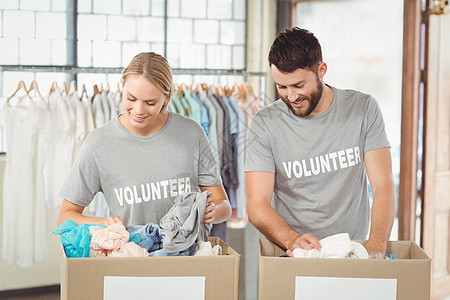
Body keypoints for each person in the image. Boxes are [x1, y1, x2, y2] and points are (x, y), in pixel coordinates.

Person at [245, 27, 395, 258]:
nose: (291, 97)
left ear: (321, 70)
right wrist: (293, 240)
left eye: (298, 85)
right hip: (293, 252)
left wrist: (376, 243)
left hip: (353, 251)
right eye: (282, 87)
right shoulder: (264, 124)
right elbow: (257, 204)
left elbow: (383, 185)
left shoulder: (363, 109)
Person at [57, 52, 231, 229]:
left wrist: (213, 211)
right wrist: (103, 223)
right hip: (131, 254)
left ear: (167, 97)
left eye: (150, 103)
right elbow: (65, 216)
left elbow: (223, 204)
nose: (139, 110)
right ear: (122, 87)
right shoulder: (98, 144)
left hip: (188, 255)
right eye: (131, 98)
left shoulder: (192, 134)